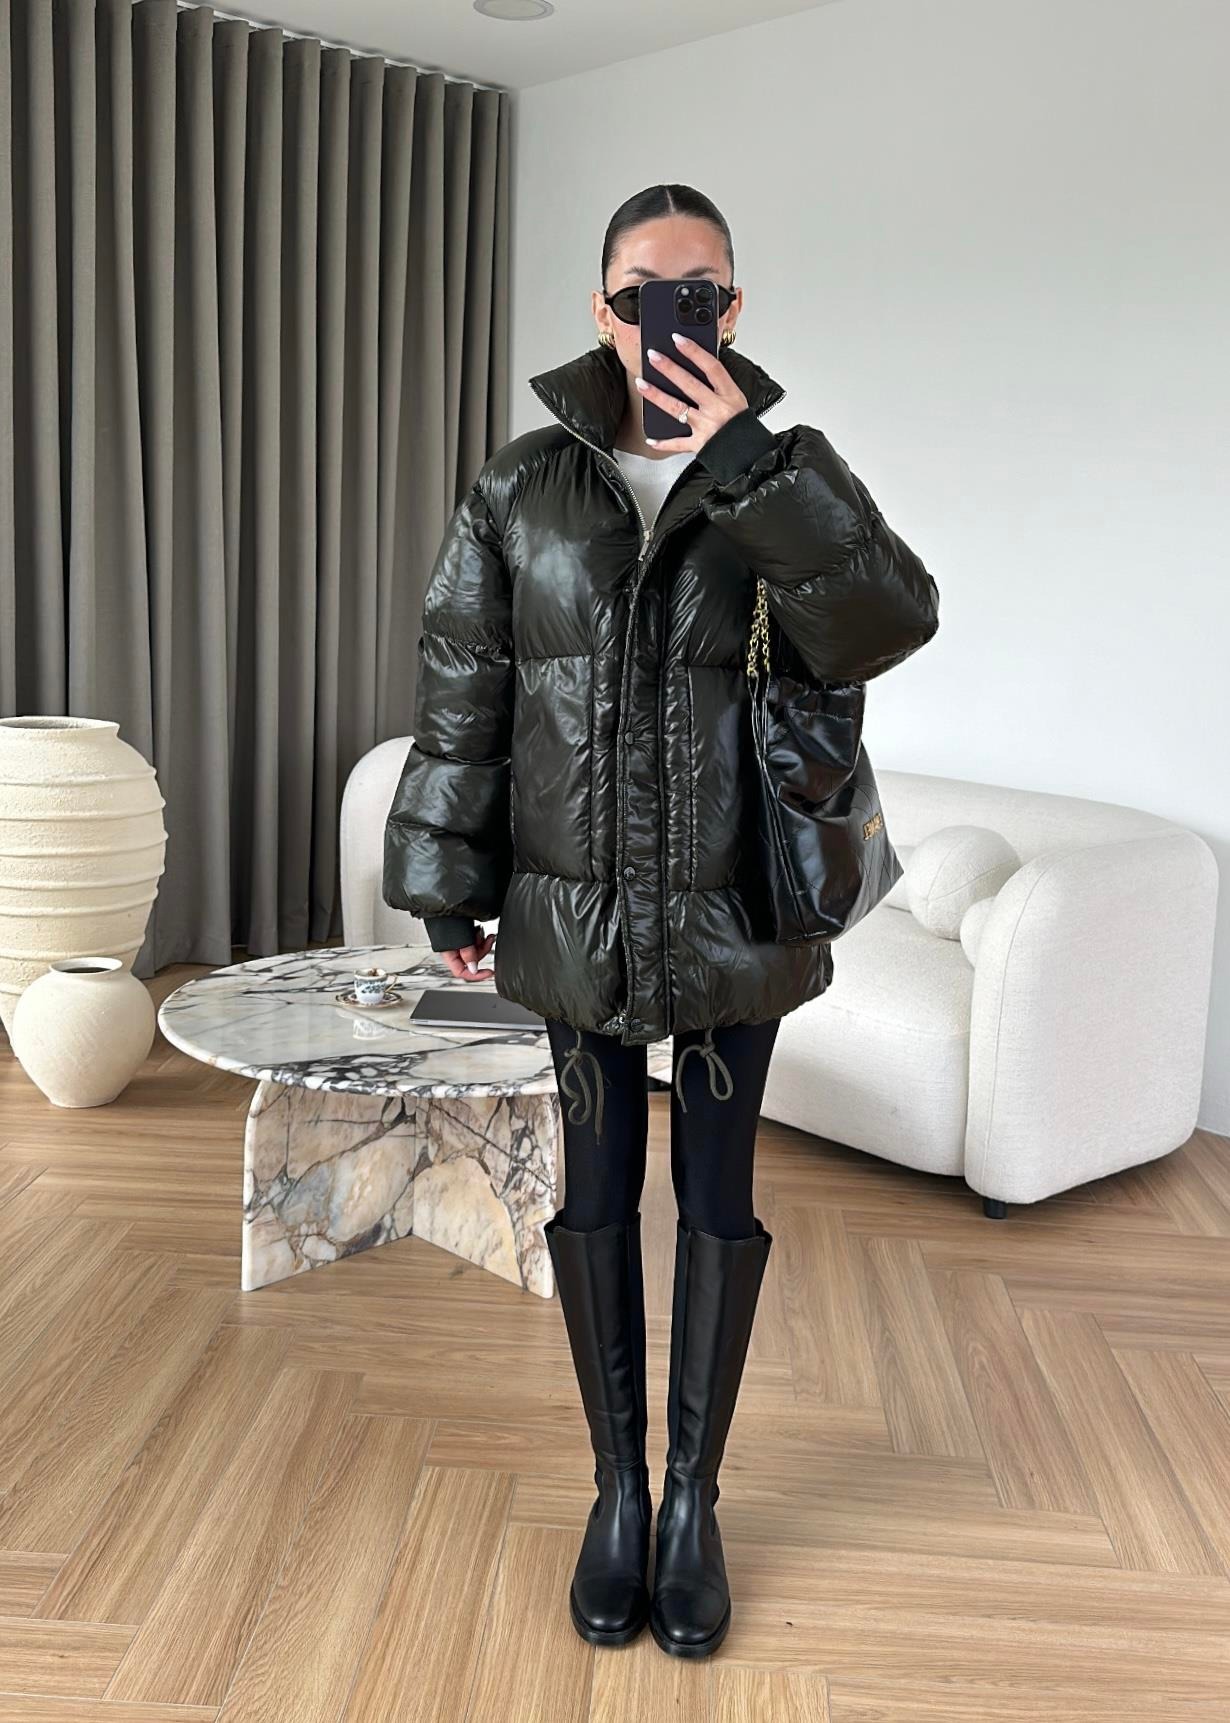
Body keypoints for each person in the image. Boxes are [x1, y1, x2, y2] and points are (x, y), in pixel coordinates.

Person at [383, 184, 940, 1658]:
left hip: (735, 918)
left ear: (733, 309)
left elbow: (887, 621)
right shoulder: (522, 485)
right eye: (641, 291)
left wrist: (748, 461)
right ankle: (616, 1491)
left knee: (715, 1201)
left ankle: (694, 1500)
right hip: (573, 914)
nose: (667, 317)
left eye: (698, 292)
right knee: (590, 1198)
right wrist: (443, 875)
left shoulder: (786, 472)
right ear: (603, 306)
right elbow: (465, 688)